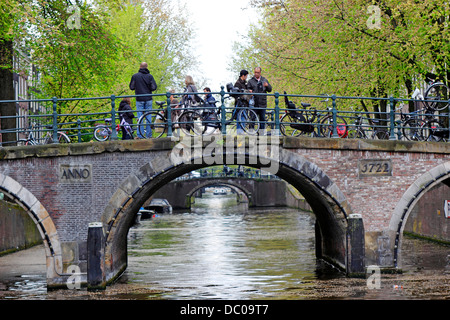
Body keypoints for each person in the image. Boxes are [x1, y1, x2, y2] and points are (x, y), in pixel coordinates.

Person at [129, 62, 157, 138]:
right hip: (148, 98)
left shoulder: (135, 76)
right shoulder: (150, 76)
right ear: (147, 67)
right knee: (148, 116)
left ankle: (140, 135)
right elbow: (154, 87)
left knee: (140, 117)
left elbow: (131, 87)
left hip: (139, 98)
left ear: (140, 67)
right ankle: (148, 135)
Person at [247, 67, 272, 131]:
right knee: (252, 119)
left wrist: (267, 85)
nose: (256, 74)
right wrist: (249, 91)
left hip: (262, 103)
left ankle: (261, 134)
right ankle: (251, 133)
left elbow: (270, 90)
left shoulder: (264, 80)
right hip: (254, 103)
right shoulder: (250, 81)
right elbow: (247, 89)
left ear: (260, 73)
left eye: (257, 72)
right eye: (255, 72)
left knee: (262, 119)